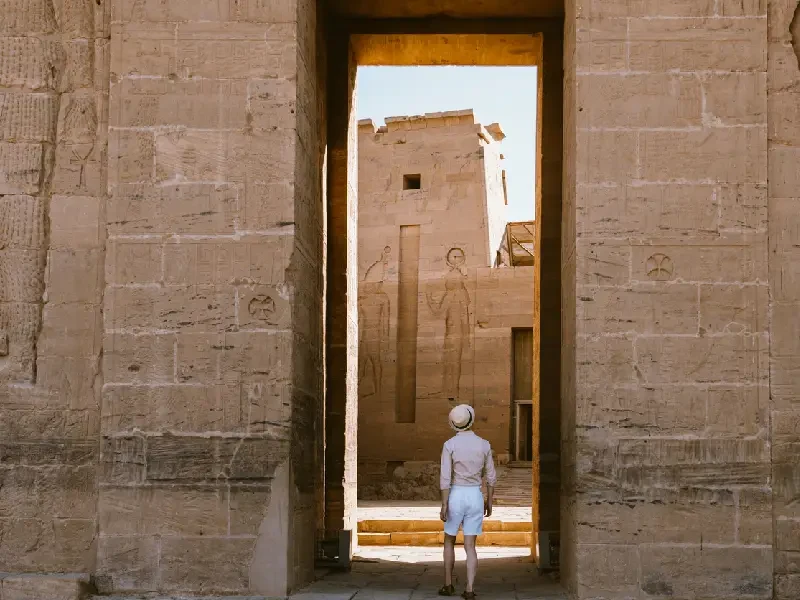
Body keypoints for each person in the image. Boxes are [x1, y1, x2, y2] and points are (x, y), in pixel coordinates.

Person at [438, 404, 497, 598]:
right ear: (471, 420)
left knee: (449, 540)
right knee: (470, 545)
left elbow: (445, 477)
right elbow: (490, 476)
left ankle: (448, 584)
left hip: (456, 494)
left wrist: (444, 504)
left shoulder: (449, 445)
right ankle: (470, 588)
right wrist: (489, 500)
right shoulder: (484, 444)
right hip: (475, 495)